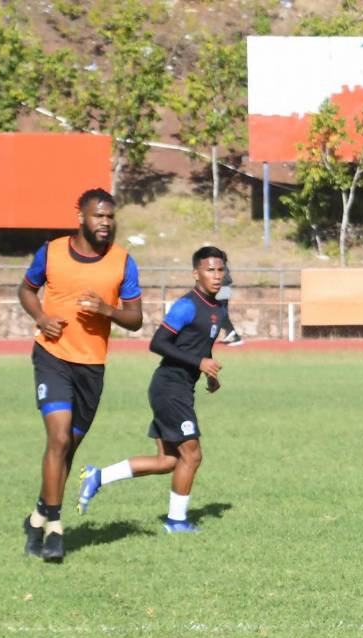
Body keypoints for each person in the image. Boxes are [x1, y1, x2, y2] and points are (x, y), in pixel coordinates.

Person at [18, 188, 144, 562]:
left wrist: (107, 309)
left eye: (110, 217)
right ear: (81, 217)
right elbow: (26, 289)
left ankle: (39, 513)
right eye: (98, 216)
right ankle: (55, 529)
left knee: (67, 448)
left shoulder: (123, 262)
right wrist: (41, 317)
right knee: (57, 438)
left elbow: (136, 319)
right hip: (52, 357)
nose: (105, 223)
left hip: (91, 368)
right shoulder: (52, 251)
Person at [77, 246, 227, 533]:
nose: (216, 275)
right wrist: (199, 361)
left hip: (180, 389)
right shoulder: (187, 305)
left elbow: (201, 345)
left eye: (220, 270)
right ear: (196, 273)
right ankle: (176, 522)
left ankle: (98, 477)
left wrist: (209, 374)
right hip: (169, 389)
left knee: (168, 460)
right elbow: (158, 343)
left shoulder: (218, 308)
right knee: (192, 456)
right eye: (210, 270)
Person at [216, 264, 243, 346]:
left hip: (222, 288)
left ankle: (233, 335)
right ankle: (230, 334)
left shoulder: (218, 263)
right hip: (224, 288)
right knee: (221, 313)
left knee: (220, 313)